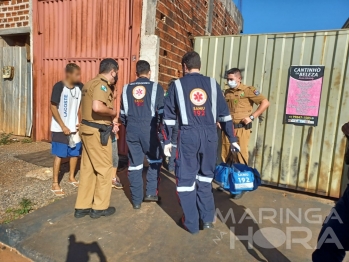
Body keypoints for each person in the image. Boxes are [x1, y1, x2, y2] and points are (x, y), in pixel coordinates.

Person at [162, 51, 240, 234]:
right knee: (205, 178)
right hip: (210, 135)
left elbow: (168, 117)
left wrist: (166, 140)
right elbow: (225, 115)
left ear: (184, 67)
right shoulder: (213, 84)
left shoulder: (177, 85)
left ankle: (191, 223)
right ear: (200, 66)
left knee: (185, 181)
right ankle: (206, 219)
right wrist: (233, 138)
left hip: (188, 135)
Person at [74, 58, 119, 219]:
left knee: (88, 169)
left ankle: (82, 206)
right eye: (116, 73)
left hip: (87, 130)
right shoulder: (102, 84)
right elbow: (97, 107)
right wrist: (113, 113)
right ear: (112, 71)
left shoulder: (88, 84)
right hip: (97, 132)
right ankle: (99, 207)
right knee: (105, 168)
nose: (116, 77)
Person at [120, 60, 164, 209]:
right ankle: (151, 192)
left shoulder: (126, 89)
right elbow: (162, 112)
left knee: (134, 165)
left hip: (131, 128)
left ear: (136, 73)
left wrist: (130, 126)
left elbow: (122, 115)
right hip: (149, 129)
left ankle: (136, 201)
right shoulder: (156, 87)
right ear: (149, 73)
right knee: (155, 161)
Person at [221, 68, 269, 199]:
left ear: (239, 78)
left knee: (240, 156)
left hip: (242, 128)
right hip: (228, 128)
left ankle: (241, 186)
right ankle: (227, 182)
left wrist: (252, 117)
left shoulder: (248, 90)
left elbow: (265, 102)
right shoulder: (227, 92)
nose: (229, 81)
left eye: (231, 79)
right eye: (228, 79)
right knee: (226, 155)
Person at [50, 63, 83, 196]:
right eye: (76, 74)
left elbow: (81, 105)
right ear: (68, 74)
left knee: (75, 153)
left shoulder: (80, 87)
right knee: (60, 155)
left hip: (74, 127)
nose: (79, 77)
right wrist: (63, 126)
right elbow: (53, 107)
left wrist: (81, 122)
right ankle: (55, 183)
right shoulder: (59, 87)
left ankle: (71, 178)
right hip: (60, 128)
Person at [110, 87, 123, 189]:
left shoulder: (111, 104)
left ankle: (112, 176)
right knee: (114, 157)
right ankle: (113, 178)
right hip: (109, 134)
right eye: (116, 91)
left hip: (112, 133)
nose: (116, 93)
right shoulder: (109, 105)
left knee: (113, 157)